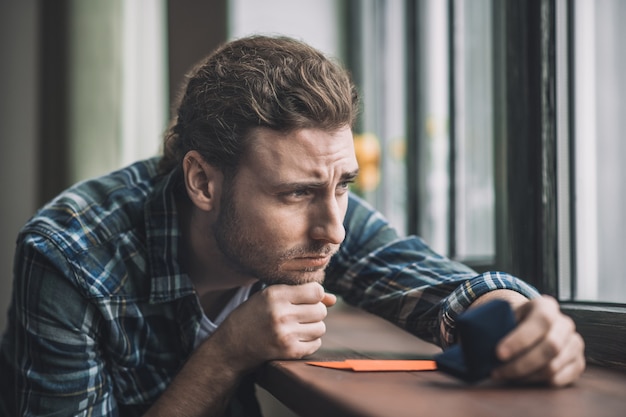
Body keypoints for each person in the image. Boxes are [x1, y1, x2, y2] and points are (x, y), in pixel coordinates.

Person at [0, 35, 585, 417]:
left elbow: (427, 280)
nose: (333, 227)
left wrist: (519, 319)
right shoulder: (70, 257)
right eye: (297, 193)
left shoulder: (318, 209)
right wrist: (226, 354)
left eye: (344, 185)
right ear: (203, 182)